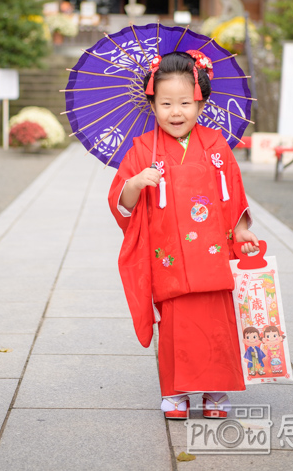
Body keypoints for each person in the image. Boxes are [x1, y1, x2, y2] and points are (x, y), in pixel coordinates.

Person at [108, 50, 259, 420]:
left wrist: (241, 235)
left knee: (216, 322)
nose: (176, 112)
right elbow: (121, 202)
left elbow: (233, 198)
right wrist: (136, 182)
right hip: (169, 255)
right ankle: (174, 392)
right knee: (176, 325)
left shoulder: (216, 145)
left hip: (213, 254)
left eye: (185, 103)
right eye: (166, 104)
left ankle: (214, 392)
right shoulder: (144, 148)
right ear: (152, 104)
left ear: (201, 102)